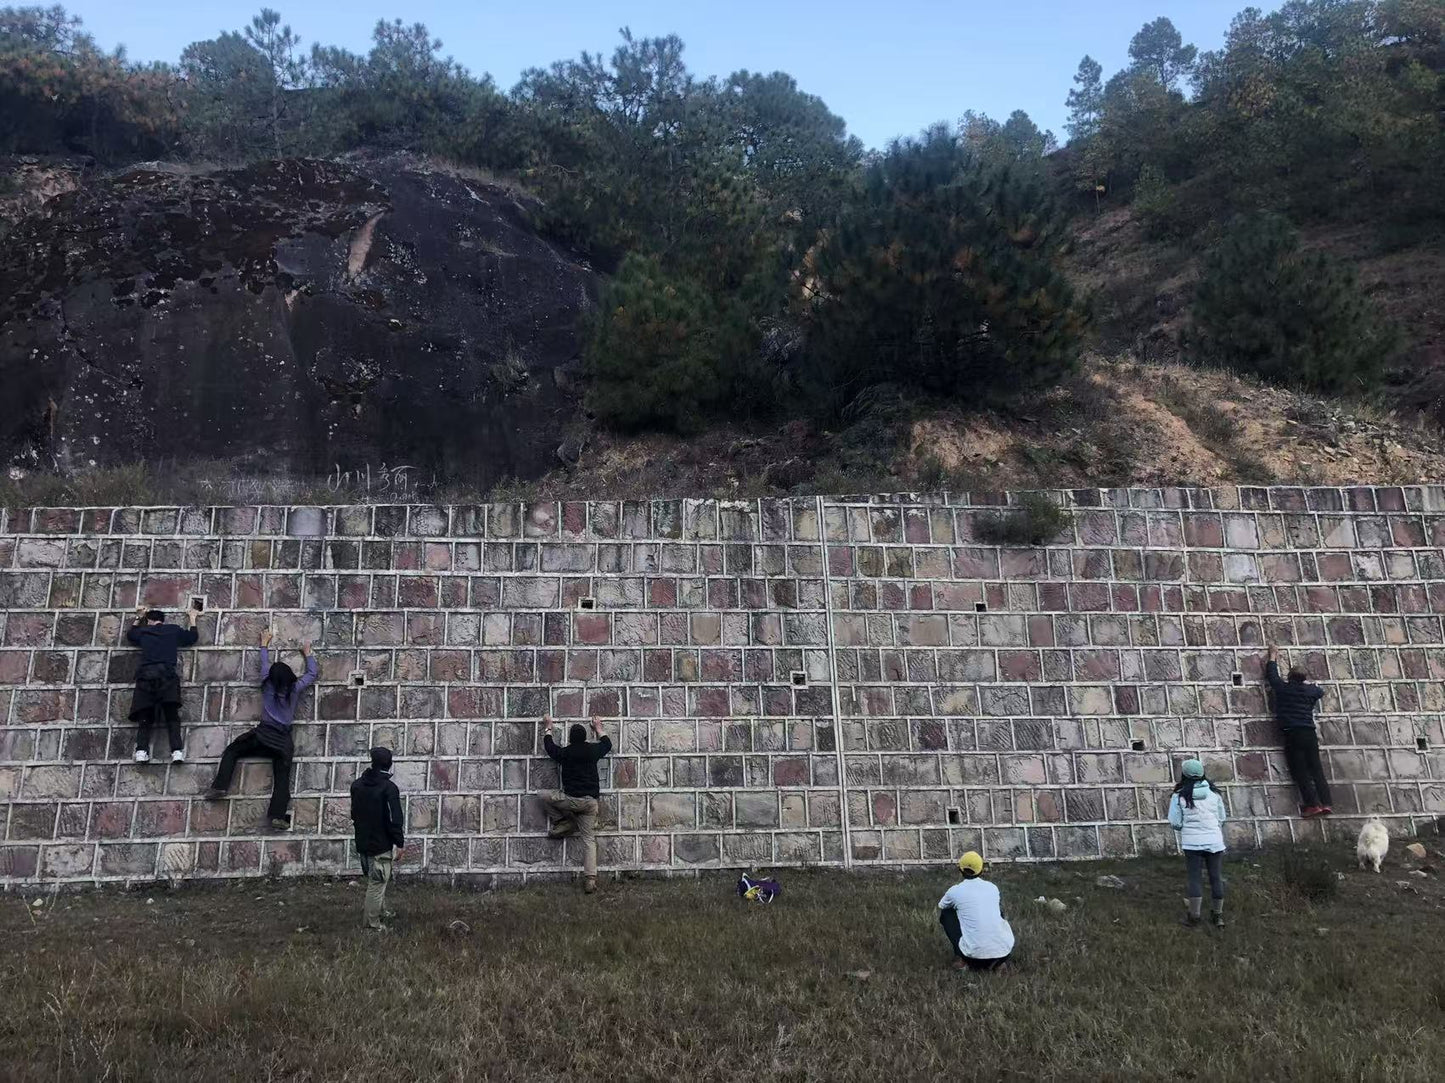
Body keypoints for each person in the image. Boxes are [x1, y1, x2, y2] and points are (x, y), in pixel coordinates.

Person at [203, 630, 317, 830]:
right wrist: (307, 652)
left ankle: (220, 786)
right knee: (282, 779)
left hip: (262, 736)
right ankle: (277, 816)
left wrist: (264, 643)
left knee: (233, 750)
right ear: (290, 676)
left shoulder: (267, 685)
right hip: (282, 741)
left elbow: (264, 665)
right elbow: (311, 674)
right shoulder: (295, 688)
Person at [538, 714, 611, 894]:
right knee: (588, 840)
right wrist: (599, 728)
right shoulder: (592, 751)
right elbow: (607, 745)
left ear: (570, 738)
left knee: (543, 796)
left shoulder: (566, 753)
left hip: (570, 801)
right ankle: (590, 880)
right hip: (590, 803)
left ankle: (564, 822)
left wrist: (548, 727)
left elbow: (550, 747)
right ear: (586, 736)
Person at [126, 604, 200, 763]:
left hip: (146, 676)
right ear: (161, 620)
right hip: (167, 676)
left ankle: (141, 751)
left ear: (150, 621)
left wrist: (139, 617)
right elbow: (192, 638)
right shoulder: (172, 630)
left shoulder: (144, 632)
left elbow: (130, 635)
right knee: (171, 715)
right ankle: (176, 751)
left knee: (145, 715)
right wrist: (192, 617)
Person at [1265, 645, 1331, 816]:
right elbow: (1320, 691)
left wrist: (1272, 656)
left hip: (1293, 733)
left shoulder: (1283, 689)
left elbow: (1272, 676)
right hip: (1309, 732)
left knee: (1300, 770)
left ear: (1289, 677)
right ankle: (1326, 803)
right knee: (1316, 769)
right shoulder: (1311, 692)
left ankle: (1312, 804)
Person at [1168, 758, 1229, 929]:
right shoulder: (1214, 794)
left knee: (1195, 879)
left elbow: (1175, 823)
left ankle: (1194, 917)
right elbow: (1222, 818)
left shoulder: (1179, 796)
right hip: (1215, 842)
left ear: (1184, 775)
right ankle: (1218, 917)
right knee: (1215, 878)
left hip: (1192, 843)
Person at [350, 747, 405, 931]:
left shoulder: (357, 785)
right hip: (380, 845)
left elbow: (353, 814)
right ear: (389, 765)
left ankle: (381, 911)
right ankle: (372, 925)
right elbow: (394, 819)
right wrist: (399, 842)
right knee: (377, 884)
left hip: (363, 843)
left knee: (376, 880)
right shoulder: (389, 788)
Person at [937, 851, 1014, 971]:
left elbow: (942, 905)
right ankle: (999, 963)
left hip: (972, 957)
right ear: (981, 870)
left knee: (947, 913)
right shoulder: (993, 888)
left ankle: (962, 960)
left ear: (960, 870)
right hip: (1003, 954)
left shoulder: (955, 891)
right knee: (996, 910)